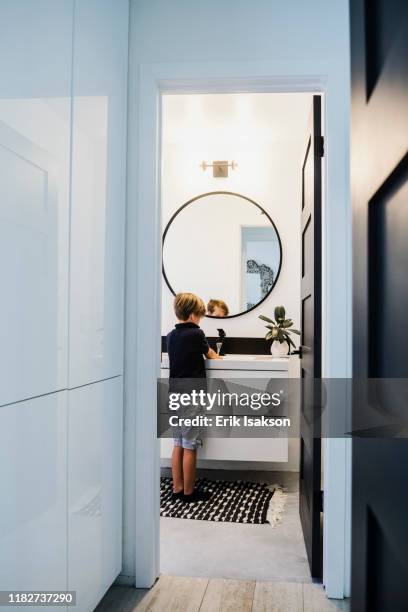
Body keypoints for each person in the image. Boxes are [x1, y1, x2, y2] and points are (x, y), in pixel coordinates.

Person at [167, 292, 222, 503]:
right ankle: (190, 493)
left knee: (178, 442)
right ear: (192, 315)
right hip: (192, 397)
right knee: (190, 445)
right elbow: (210, 354)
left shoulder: (171, 336)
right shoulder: (196, 334)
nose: (200, 319)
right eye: (199, 315)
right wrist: (218, 356)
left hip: (174, 395)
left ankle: (177, 488)